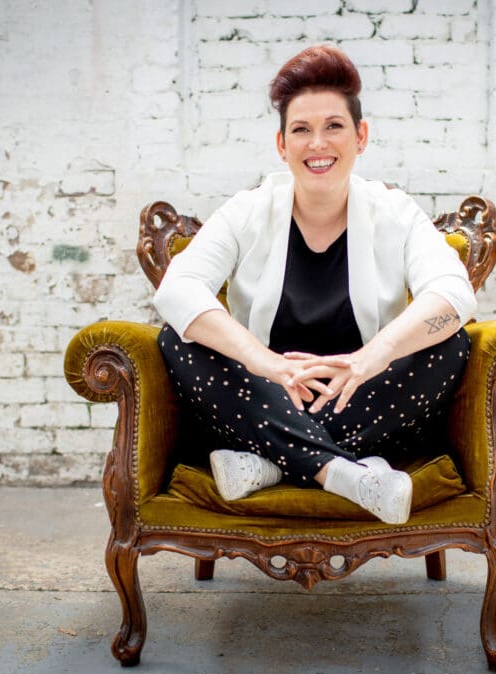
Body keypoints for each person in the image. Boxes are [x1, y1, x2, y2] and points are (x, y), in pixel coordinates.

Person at [153, 45, 476, 525]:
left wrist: (370, 358)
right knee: (176, 339)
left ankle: (270, 464)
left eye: (334, 126)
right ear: (281, 145)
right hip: (261, 398)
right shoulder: (249, 209)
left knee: (451, 344)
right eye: (301, 130)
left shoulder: (395, 212)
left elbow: (454, 294)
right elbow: (177, 290)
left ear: (360, 136)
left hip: (363, 397)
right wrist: (265, 363)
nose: (318, 144)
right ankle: (344, 473)